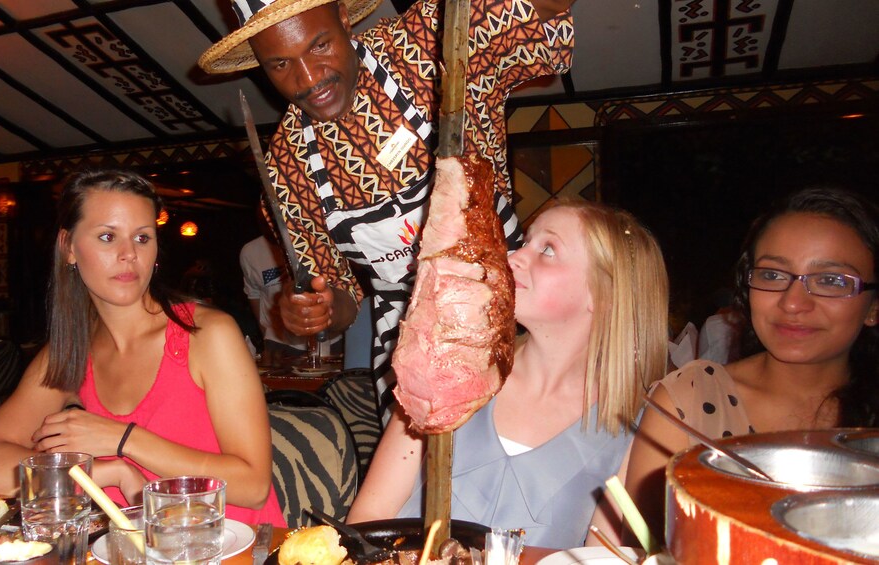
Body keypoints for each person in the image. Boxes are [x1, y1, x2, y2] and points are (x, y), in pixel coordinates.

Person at [198, 0, 576, 421]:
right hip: (408, 351)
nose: (308, 80)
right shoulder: (288, 166)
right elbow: (341, 299)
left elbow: (545, 7)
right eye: (280, 65)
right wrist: (316, 311)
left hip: (516, 314)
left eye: (320, 45)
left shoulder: (427, 41)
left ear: (343, 20)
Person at [0, 169, 286, 527]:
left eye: (142, 238)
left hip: (227, 548)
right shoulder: (70, 351)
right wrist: (106, 472)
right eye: (107, 237)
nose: (129, 254)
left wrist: (125, 441)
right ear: (68, 248)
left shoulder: (206, 334)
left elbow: (253, 485)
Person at [346, 200, 669, 549]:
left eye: (548, 249)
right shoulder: (448, 367)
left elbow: (601, 559)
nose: (514, 257)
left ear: (603, 295)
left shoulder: (633, 430)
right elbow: (369, 520)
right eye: (526, 241)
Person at [624, 186, 879, 544]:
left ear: (873, 307)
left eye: (830, 281)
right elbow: (641, 547)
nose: (793, 303)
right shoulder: (690, 401)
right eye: (773, 275)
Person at [240, 233, 309, 362]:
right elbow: (254, 294)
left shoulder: (311, 238)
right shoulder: (250, 251)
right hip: (278, 344)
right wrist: (267, 335)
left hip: (326, 342)